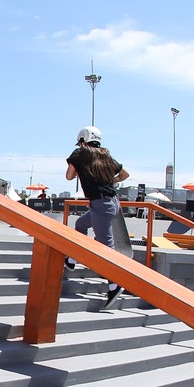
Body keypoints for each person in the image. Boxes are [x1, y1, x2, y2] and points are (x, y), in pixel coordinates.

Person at [62, 126, 130, 308]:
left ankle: (115, 284)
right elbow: (124, 174)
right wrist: (109, 181)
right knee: (81, 224)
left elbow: (69, 176)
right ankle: (71, 259)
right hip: (112, 203)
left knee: (106, 249)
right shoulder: (105, 155)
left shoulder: (79, 153)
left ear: (83, 139)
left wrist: (79, 170)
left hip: (101, 204)